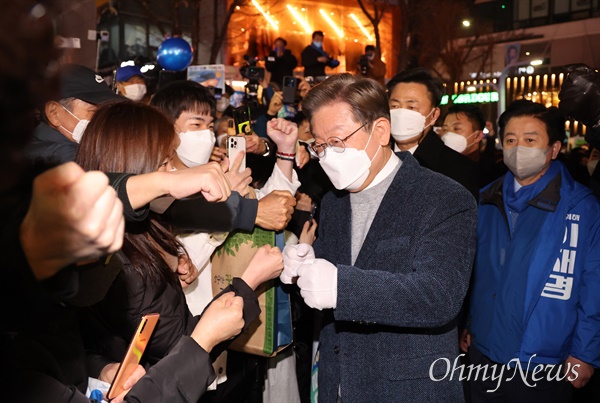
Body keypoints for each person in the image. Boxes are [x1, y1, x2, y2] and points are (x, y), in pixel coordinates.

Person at [280, 73, 477, 402]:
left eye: (339, 141)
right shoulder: (334, 202)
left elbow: (440, 296)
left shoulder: (444, 198)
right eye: (320, 146)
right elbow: (329, 284)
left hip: (406, 388)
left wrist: (343, 287)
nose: (328, 156)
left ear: (380, 131)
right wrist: (304, 266)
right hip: (338, 383)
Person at [466, 100, 600, 402]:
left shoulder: (581, 207)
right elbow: (479, 273)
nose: (518, 148)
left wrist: (586, 352)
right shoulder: (486, 199)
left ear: (554, 148)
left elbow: (595, 286)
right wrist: (472, 324)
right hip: (484, 355)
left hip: (546, 362)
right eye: (510, 139)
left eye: (530, 139)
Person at [387, 68, 479, 198]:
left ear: (434, 115)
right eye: (395, 106)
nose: (401, 114)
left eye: (412, 107)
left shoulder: (460, 169)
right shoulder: (374, 159)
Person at [25, 63, 122, 163]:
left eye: (104, 111)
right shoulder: (66, 156)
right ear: (54, 113)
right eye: (93, 111)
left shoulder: (32, 144)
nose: (102, 118)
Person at [441, 104, 506, 188]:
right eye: (445, 129)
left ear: (477, 136)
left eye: (457, 128)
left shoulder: (492, 175)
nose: (448, 135)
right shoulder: (438, 169)